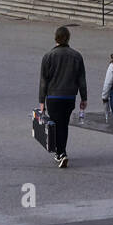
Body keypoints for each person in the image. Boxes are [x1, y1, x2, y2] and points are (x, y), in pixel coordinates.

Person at [37, 26, 87, 169]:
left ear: (56, 38)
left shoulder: (48, 56)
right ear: (68, 38)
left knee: (54, 124)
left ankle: (60, 152)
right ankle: (61, 151)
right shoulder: (77, 56)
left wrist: (42, 101)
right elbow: (81, 79)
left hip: (53, 96)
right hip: (69, 96)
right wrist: (84, 98)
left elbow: (43, 81)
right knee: (64, 124)